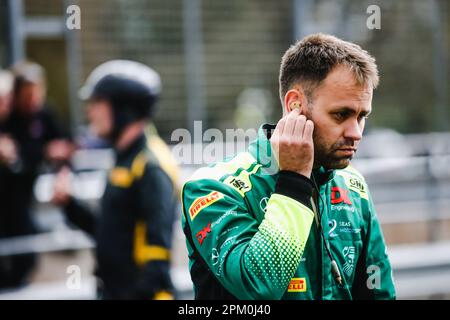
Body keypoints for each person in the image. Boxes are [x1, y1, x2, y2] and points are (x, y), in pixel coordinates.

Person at [181, 33, 396, 300]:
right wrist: (294, 181)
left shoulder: (353, 186)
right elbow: (259, 287)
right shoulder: (213, 188)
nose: (356, 133)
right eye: (341, 114)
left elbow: (380, 295)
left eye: (361, 116)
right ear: (295, 105)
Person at [52, 60, 179, 300]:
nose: (90, 111)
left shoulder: (150, 165)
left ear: (124, 109)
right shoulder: (124, 158)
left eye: (98, 102)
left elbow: (158, 253)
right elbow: (108, 232)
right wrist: (69, 204)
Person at [0, 63, 73, 289]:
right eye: (27, 94)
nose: (34, 99)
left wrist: (61, 166)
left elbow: (64, 146)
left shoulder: (44, 115)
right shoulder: (9, 118)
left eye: (38, 92)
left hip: (20, 200)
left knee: (25, 256)